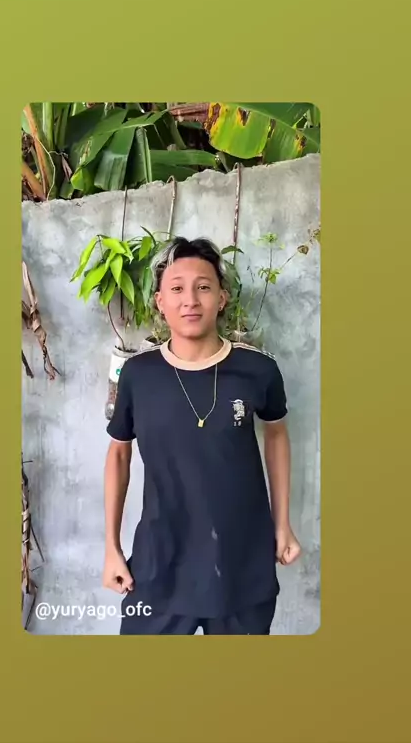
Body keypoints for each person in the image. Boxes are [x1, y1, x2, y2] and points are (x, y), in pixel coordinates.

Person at [103, 236, 301, 635]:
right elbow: (119, 453)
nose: (190, 300)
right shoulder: (138, 375)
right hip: (160, 564)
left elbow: (277, 436)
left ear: (222, 298)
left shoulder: (258, 371)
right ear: (160, 302)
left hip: (240, 565)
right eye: (177, 289)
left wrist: (282, 525)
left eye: (203, 287)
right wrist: (111, 547)